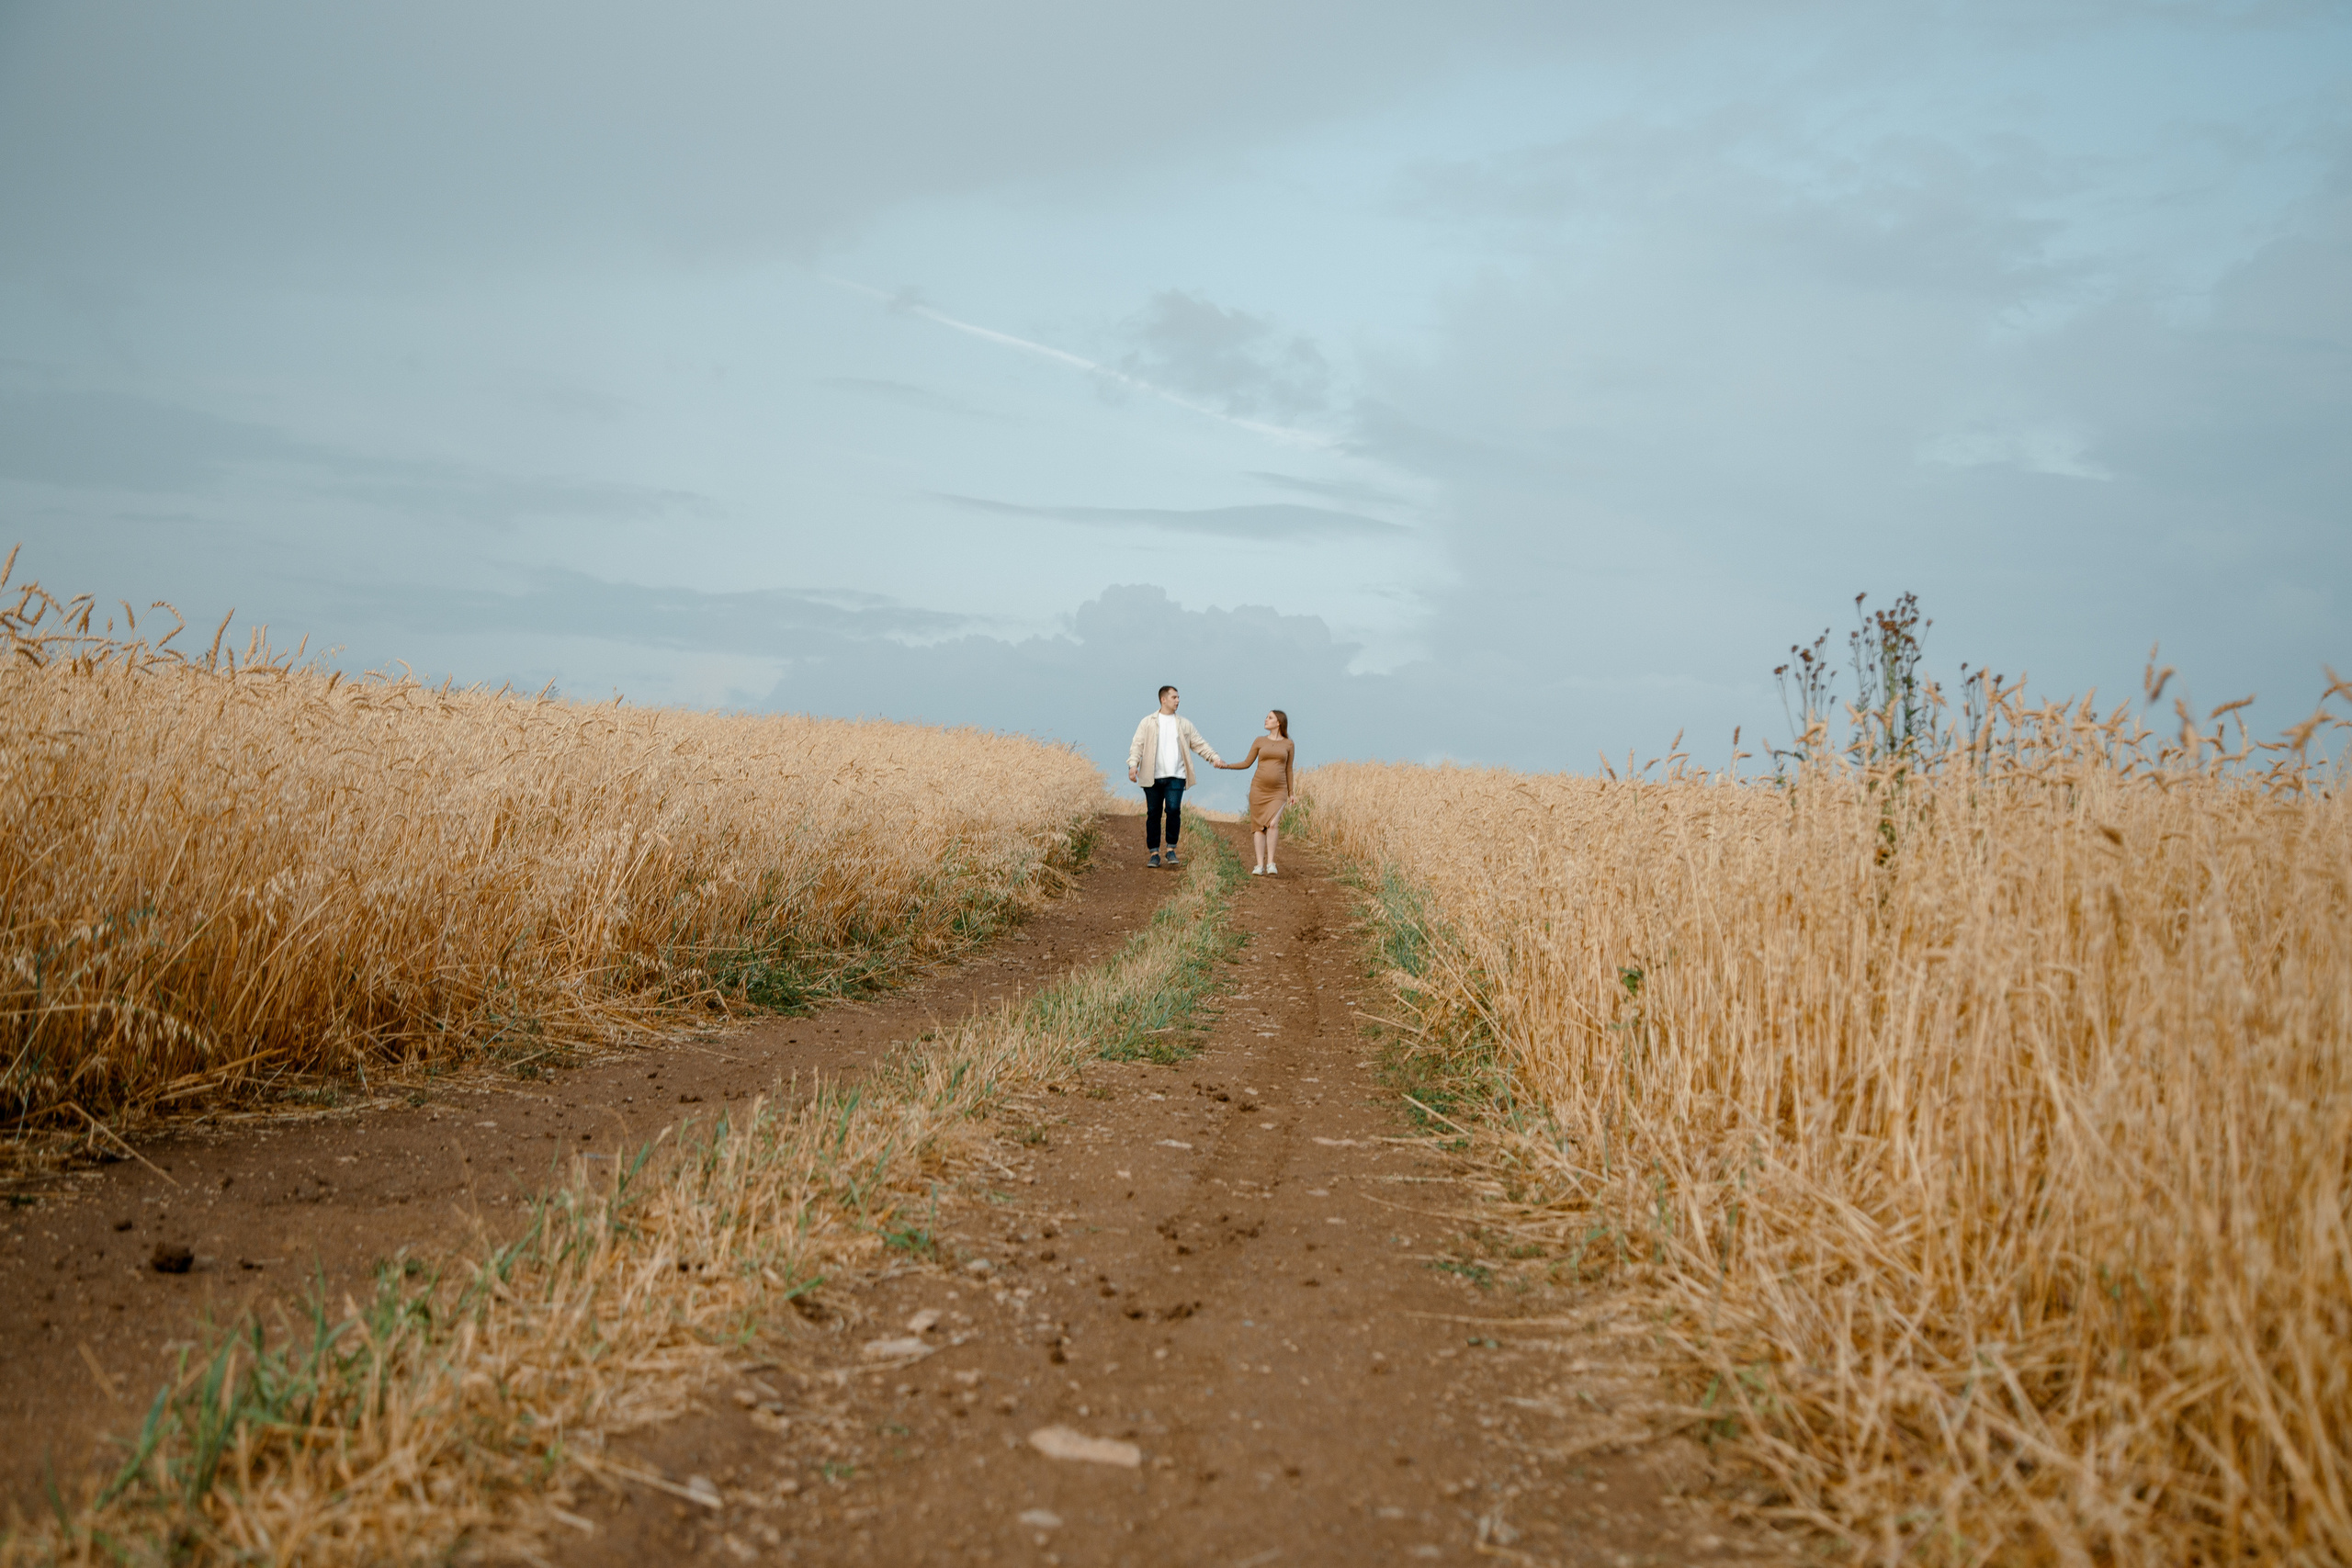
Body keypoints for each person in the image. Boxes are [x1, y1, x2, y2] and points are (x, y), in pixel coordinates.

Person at [1125, 684, 1223, 868]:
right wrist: (1133, 765)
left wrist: (1214, 758)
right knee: (1153, 813)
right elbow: (1137, 744)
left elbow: (1199, 744)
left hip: (1176, 775)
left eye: (1178, 698)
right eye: (1174, 697)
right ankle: (1154, 852)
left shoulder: (1184, 724)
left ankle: (1171, 849)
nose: (1178, 701)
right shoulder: (1147, 722)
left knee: (1173, 810)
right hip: (1151, 776)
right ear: (1163, 699)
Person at [1216, 708, 1295, 874]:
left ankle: (1271, 863)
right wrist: (1227, 765)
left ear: (1278, 722)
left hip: (1278, 791)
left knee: (1273, 824)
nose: (1266, 719)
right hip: (1259, 789)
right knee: (1259, 827)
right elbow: (1247, 762)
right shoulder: (1259, 741)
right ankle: (1259, 865)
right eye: (1266, 717)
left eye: (1270, 717)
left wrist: (1291, 793)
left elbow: (1289, 769)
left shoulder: (1288, 744)